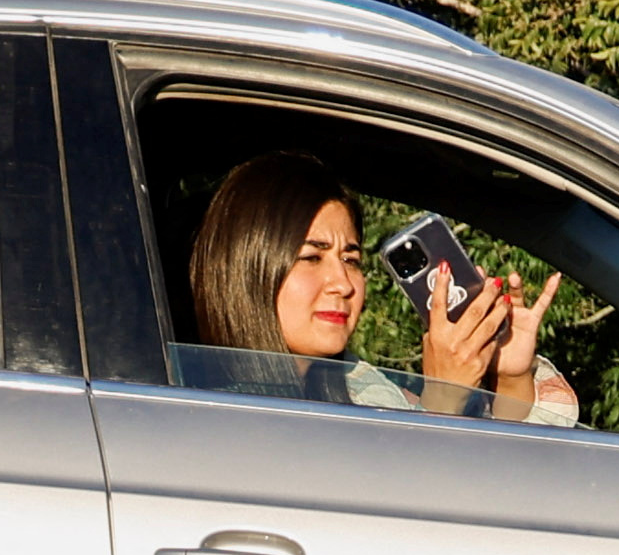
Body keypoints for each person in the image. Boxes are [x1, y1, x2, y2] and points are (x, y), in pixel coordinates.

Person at [177, 149, 576, 425]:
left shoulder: (364, 389)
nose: (343, 284)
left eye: (351, 259)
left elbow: (510, 478)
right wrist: (441, 403)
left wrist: (507, 377)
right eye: (312, 257)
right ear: (249, 267)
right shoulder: (201, 410)